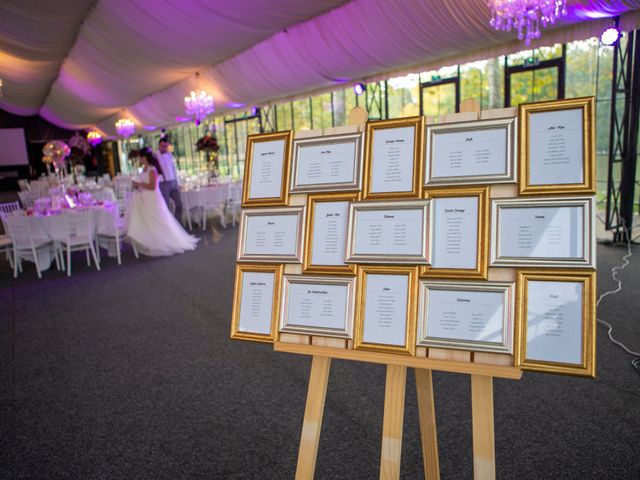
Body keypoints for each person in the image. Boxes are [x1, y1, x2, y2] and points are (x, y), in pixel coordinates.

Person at [126, 148, 198, 256]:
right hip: (144, 198)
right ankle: (152, 242)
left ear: (144, 157)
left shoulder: (152, 170)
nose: (139, 159)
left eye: (140, 157)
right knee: (149, 221)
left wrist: (138, 184)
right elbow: (145, 184)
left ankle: (166, 242)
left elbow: (152, 186)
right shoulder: (144, 169)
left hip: (152, 198)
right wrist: (138, 186)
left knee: (158, 219)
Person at [156, 137, 183, 222]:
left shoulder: (170, 155)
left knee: (179, 204)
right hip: (163, 183)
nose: (164, 148)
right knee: (166, 206)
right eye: (162, 146)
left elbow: (173, 169)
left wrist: (177, 182)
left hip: (173, 182)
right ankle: (169, 224)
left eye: (166, 146)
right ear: (159, 146)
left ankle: (177, 222)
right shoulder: (155, 156)